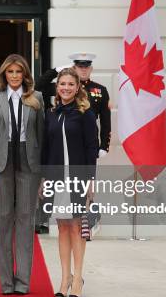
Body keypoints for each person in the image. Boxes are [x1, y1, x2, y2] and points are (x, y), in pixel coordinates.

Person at [0, 54, 45, 295]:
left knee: (26, 220)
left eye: (19, 72)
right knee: (4, 220)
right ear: (4, 75)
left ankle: (23, 282)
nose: (15, 76)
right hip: (1, 162)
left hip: (28, 162)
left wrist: (42, 175)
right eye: (10, 72)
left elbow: (40, 137)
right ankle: (6, 283)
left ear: (25, 75)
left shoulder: (36, 98)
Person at [35, 52, 110, 236]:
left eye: (86, 66)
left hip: (85, 148)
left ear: (90, 69)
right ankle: (62, 222)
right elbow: (38, 87)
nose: (83, 69)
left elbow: (105, 120)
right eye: (80, 66)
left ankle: (88, 222)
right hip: (61, 151)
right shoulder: (62, 86)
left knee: (84, 190)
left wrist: (104, 145)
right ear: (75, 68)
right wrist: (55, 71)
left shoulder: (99, 90)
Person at [40, 67, 98, 297]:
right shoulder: (52, 113)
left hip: (77, 177)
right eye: (62, 84)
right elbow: (45, 148)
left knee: (76, 226)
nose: (65, 88)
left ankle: (78, 277)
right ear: (57, 87)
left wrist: (91, 180)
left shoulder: (85, 114)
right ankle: (64, 278)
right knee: (62, 227)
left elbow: (91, 148)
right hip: (56, 178)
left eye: (70, 84)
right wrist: (43, 178)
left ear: (77, 87)